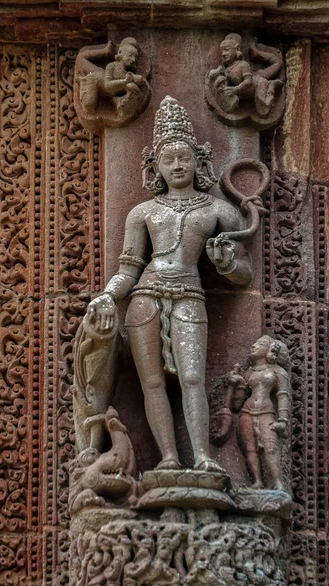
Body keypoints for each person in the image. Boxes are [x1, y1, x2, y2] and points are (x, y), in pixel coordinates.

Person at [86, 96, 253, 472]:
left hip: (189, 294)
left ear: (199, 162)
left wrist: (227, 264)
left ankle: (205, 458)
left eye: (184, 158)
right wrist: (108, 295)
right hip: (145, 296)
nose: (177, 165)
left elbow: (244, 274)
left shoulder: (218, 210)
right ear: (156, 167)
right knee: (153, 384)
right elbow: (128, 269)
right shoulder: (144, 212)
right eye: (169, 159)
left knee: (193, 377)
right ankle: (169, 458)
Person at [227, 335, 291, 489]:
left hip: (266, 411)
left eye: (260, 343)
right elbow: (237, 404)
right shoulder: (249, 373)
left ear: (270, 350)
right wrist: (237, 383)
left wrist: (283, 421)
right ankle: (257, 481)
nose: (254, 345)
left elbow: (283, 395)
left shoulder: (278, 371)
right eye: (255, 343)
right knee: (250, 448)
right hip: (246, 412)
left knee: (270, 447)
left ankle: (278, 482)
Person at [209, 33, 283, 117]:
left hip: (259, 83)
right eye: (222, 51)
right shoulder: (228, 68)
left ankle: (271, 86)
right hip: (245, 92)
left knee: (263, 110)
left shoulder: (243, 64)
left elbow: (248, 81)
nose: (223, 54)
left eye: (226, 49)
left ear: (237, 48)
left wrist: (235, 90)